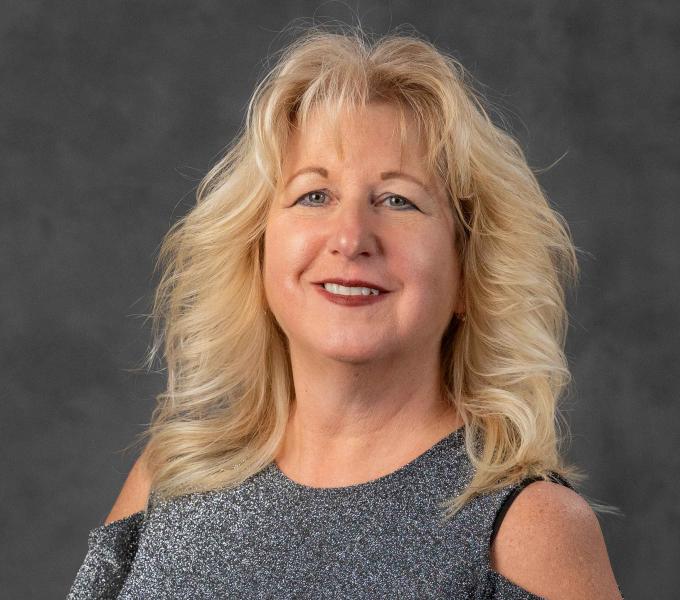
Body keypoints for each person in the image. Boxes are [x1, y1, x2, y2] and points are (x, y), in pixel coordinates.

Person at [67, 24, 624, 599]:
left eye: (398, 200)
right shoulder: (172, 479)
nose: (352, 237)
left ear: (468, 272)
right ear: (256, 250)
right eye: (314, 195)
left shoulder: (529, 529)